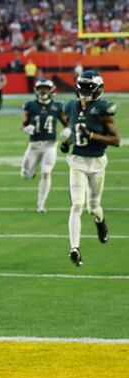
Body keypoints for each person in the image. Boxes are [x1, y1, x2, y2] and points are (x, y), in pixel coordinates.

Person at [61, 70, 121, 266]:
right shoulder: (71, 106)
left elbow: (116, 140)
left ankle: (100, 222)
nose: (85, 92)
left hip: (96, 163)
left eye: (89, 88)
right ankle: (74, 248)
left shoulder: (103, 109)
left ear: (98, 89)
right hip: (77, 161)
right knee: (77, 204)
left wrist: (92, 136)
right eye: (83, 88)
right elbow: (75, 128)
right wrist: (67, 142)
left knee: (93, 207)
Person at [20, 79, 68, 213]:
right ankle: (31, 172)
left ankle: (41, 204)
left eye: (45, 88)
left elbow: (67, 123)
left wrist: (68, 130)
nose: (43, 90)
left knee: (46, 172)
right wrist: (25, 129)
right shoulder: (30, 105)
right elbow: (23, 124)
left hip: (50, 145)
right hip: (34, 145)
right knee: (25, 174)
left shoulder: (57, 106)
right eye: (40, 88)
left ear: (51, 90)